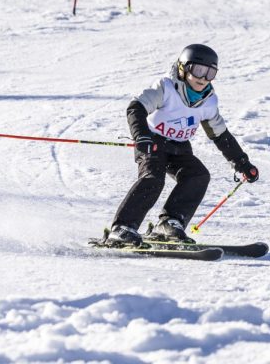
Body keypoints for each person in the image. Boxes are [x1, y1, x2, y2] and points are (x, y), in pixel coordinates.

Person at [106, 44, 259, 245]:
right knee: (153, 177)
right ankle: (122, 227)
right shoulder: (166, 87)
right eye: (198, 70)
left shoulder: (209, 101)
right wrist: (141, 136)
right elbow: (136, 108)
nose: (203, 78)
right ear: (183, 68)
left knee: (198, 175)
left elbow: (221, 135)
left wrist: (242, 163)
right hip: (153, 143)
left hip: (179, 147)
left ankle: (170, 223)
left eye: (210, 73)